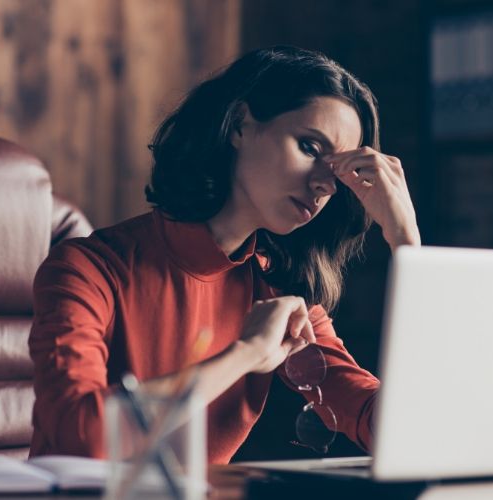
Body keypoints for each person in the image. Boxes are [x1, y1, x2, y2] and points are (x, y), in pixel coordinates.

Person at [28, 45, 420, 464]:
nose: (325, 184)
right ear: (239, 124)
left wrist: (406, 242)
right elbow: (84, 437)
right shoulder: (86, 269)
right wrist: (246, 354)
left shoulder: (279, 290)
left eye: (337, 170)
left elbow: (395, 433)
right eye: (309, 147)